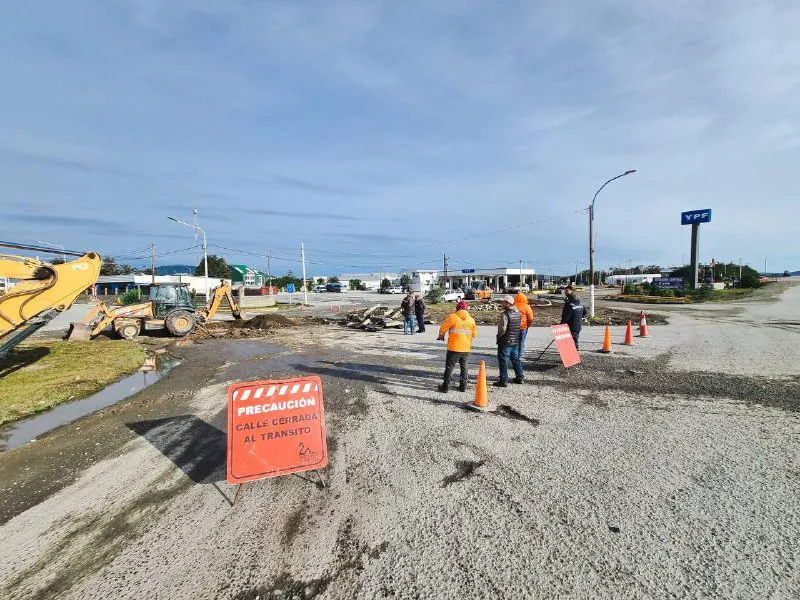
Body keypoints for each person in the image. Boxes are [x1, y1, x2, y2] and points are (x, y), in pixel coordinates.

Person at [437, 300, 477, 392]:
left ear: (458, 308)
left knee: (449, 367)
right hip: (466, 349)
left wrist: (441, 335)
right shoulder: (471, 320)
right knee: (464, 367)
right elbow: (474, 334)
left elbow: (443, 328)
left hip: (454, 348)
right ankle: (463, 386)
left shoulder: (452, 317)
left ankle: (445, 387)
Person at [495, 295, 523, 387]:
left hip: (505, 341)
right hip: (515, 341)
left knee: (503, 361)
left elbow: (502, 329)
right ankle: (520, 377)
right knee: (516, 360)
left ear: (508, 303)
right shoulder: (518, 313)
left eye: (503, 302)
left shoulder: (505, 314)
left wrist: (498, 337)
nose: (501, 303)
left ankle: (503, 380)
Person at [560, 285, 584, 350]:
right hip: (577, 325)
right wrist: (580, 318)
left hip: (571, 325)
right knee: (574, 339)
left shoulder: (570, 305)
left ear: (571, 291)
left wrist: (562, 323)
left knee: (572, 340)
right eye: (565, 291)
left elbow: (566, 316)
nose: (565, 292)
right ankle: (574, 352)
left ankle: (573, 354)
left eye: (567, 291)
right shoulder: (580, 304)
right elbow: (584, 313)